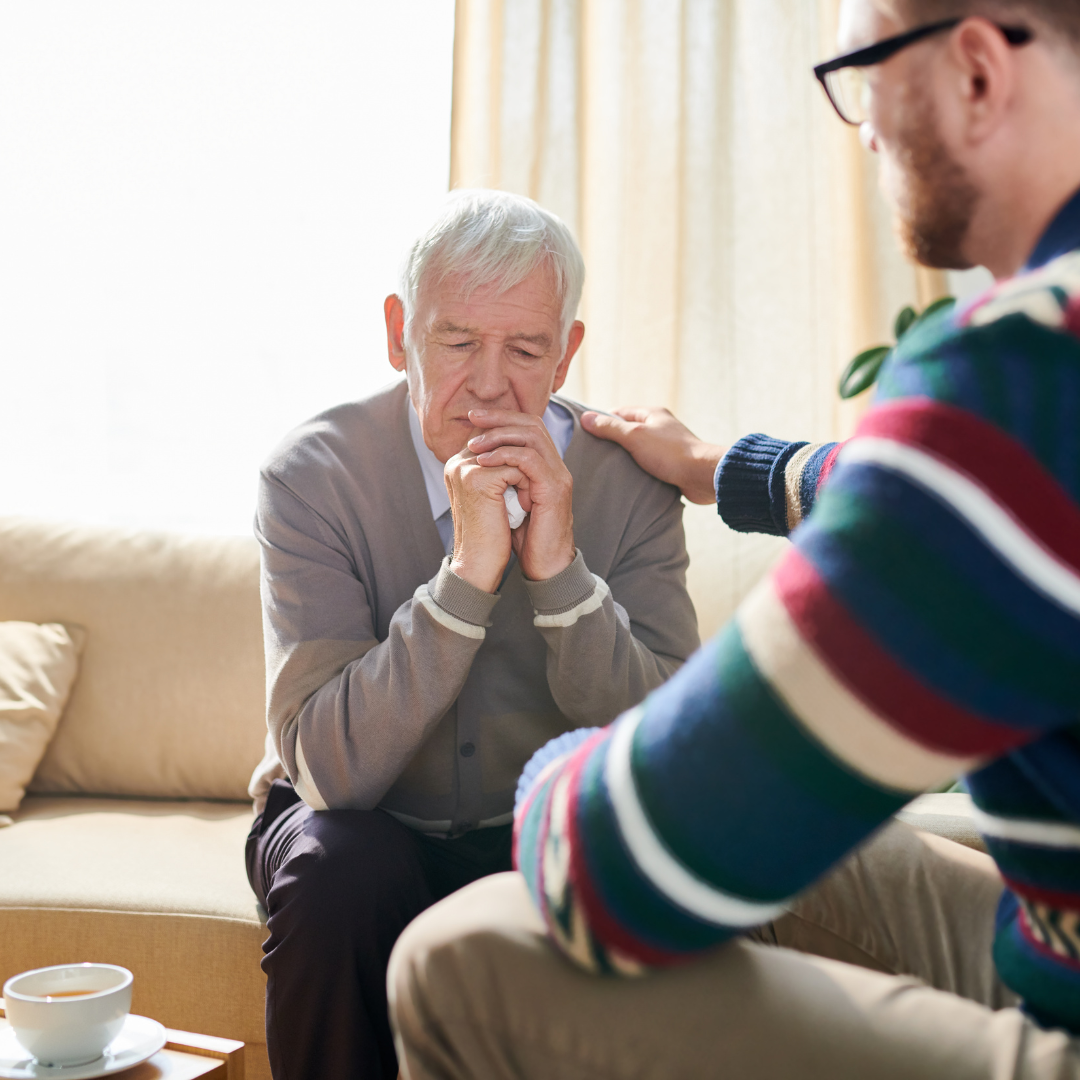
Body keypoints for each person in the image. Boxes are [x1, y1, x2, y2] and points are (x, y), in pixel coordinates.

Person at [387, 2, 1080, 1077]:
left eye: (863, 71)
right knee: (844, 862)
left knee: (460, 953)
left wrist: (567, 768)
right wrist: (722, 468)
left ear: (980, 73)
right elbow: (989, 492)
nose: (866, 130)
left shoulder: (1025, 371)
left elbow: (617, 873)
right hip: (1051, 936)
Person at [242, 189, 700, 1080]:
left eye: (526, 350)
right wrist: (467, 578)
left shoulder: (633, 481)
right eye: (455, 343)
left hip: (543, 827)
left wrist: (559, 573)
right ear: (397, 332)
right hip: (357, 824)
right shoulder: (310, 477)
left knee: (636, 870)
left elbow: (667, 747)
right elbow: (330, 772)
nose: (490, 384)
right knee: (341, 871)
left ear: (567, 353)